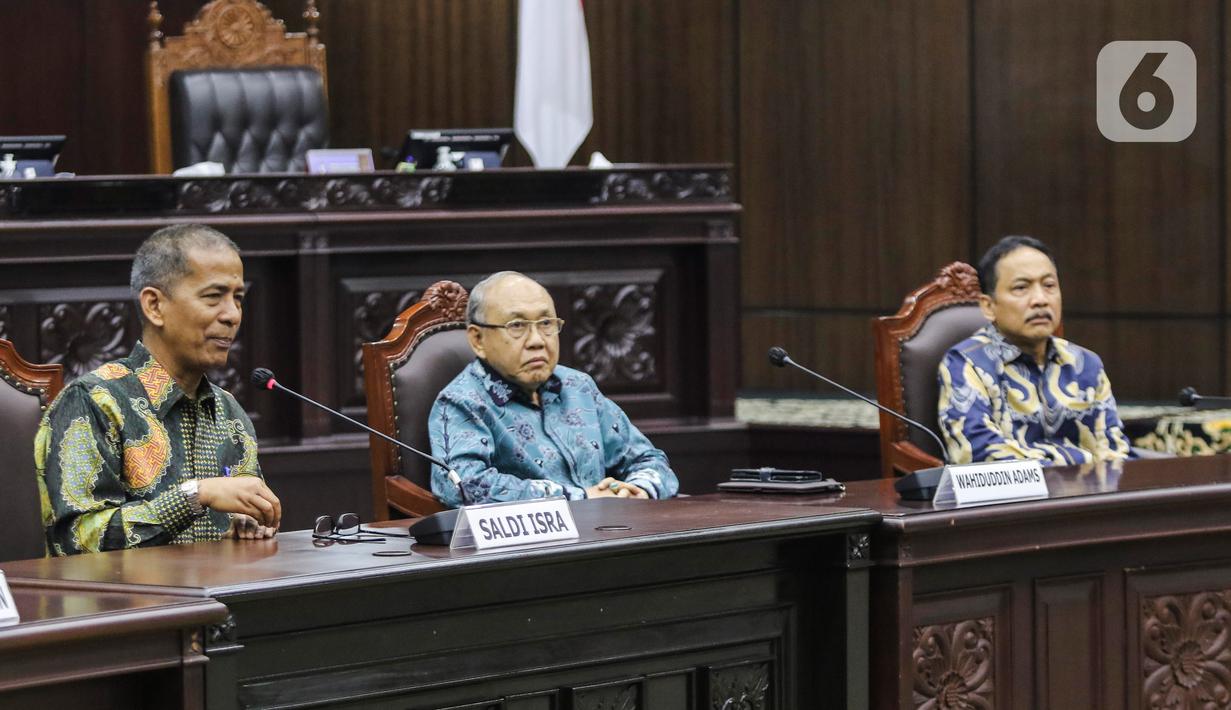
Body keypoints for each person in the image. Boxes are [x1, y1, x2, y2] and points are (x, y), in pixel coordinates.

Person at [36, 224, 281, 556]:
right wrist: (195, 495)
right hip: (130, 606)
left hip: (220, 601)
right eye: (214, 297)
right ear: (154, 306)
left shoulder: (229, 412)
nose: (232, 315)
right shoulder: (93, 402)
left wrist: (251, 526)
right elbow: (77, 542)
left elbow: (240, 531)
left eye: (237, 298)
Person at [428, 271, 679, 507]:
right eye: (517, 326)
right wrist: (577, 499)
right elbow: (463, 485)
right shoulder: (462, 403)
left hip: (611, 533)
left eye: (546, 323)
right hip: (536, 549)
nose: (537, 341)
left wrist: (638, 490)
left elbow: (649, 459)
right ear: (478, 339)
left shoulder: (577, 387)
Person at [937, 235, 1132, 465]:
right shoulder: (967, 363)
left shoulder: (1085, 363)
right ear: (988, 306)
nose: (1040, 299)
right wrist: (1070, 473)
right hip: (1017, 500)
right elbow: (978, 452)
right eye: (1021, 288)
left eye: (1049, 286)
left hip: (1091, 496)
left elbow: (1113, 448)